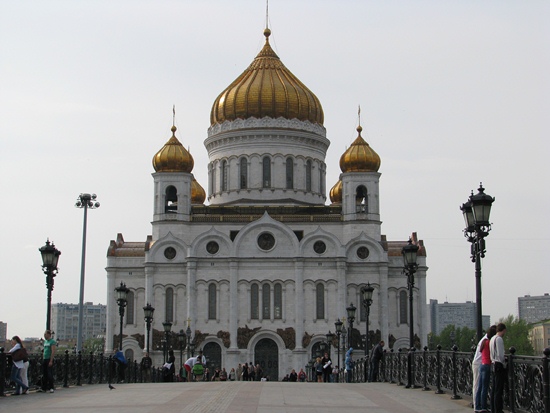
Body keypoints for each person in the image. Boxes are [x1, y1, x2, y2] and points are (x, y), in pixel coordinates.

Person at [475, 325, 497, 413]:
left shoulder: (484, 341)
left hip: (482, 365)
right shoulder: (489, 342)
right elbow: (493, 354)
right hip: (487, 365)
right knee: (485, 387)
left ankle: (477, 406)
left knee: (480, 387)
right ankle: (483, 407)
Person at [490, 323, 507, 413]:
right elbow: (500, 355)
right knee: (498, 390)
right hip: (498, 365)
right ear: (503, 330)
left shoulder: (492, 338)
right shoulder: (499, 339)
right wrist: (504, 363)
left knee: (494, 389)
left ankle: (493, 409)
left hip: (493, 363)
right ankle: (498, 409)